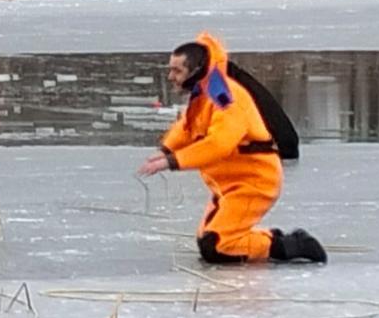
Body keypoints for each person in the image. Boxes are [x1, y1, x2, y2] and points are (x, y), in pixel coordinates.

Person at [138, 32, 327, 264]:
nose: (171, 77)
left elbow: (219, 144)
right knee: (207, 240)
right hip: (228, 184)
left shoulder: (224, 97)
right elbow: (186, 128)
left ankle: (291, 245)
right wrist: (165, 150)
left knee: (218, 247)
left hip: (253, 182)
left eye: (177, 71)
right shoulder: (204, 93)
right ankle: (270, 239)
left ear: (196, 70)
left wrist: (172, 161)